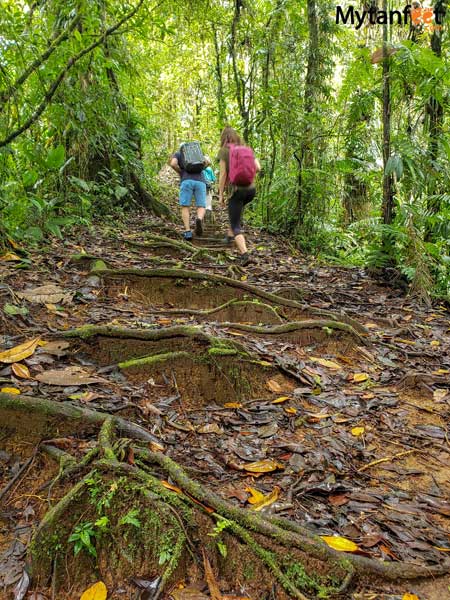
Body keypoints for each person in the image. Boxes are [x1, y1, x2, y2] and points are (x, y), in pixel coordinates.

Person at [218, 126, 260, 266]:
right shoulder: (246, 148)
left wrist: (220, 195)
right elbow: (258, 168)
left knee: (235, 223)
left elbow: (223, 175)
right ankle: (230, 237)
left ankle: (245, 254)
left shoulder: (224, 151)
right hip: (251, 190)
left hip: (237, 190)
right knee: (236, 212)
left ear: (223, 138)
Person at [170, 146, 206, 240]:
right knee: (201, 205)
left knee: (185, 206)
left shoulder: (178, 153)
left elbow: (173, 164)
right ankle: (199, 219)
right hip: (201, 181)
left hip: (186, 180)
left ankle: (188, 231)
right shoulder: (198, 153)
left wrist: (181, 172)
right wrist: (201, 168)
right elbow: (208, 162)